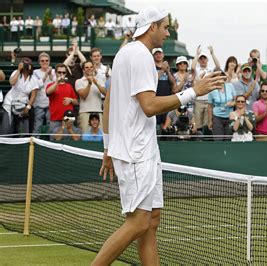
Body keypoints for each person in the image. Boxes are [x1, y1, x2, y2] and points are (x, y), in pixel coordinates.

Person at [96, 7, 226, 266]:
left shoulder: (123, 54)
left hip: (141, 149)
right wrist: (193, 92)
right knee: (139, 222)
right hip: (136, 152)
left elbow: (109, 100)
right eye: (165, 27)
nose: (168, 32)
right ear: (152, 27)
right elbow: (150, 106)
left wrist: (108, 147)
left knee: (152, 220)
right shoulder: (140, 56)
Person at [3, 57, 39, 135]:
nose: (26, 66)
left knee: (24, 129)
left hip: (23, 103)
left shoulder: (34, 79)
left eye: (28, 64)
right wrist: (19, 70)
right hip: (10, 101)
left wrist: (28, 107)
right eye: (25, 64)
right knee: (7, 126)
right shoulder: (16, 72)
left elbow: (33, 95)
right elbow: (12, 82)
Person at [46, 63, 79, 140]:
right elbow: (48, 92)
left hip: (69, 119)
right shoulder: (51, 85)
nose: (61, 74)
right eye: (59, 72)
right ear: (56, 73)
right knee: (55, 141)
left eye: (63, 73)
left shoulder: (69, 86)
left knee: (70, 142)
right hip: (55, 119)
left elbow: (76, 102)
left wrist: (71, 100)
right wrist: (57, 82)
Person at [191, 45, 219, 133]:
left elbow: (218, 66)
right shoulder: (197, 69)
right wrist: (196, 54)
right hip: (198, 100)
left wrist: (212, 53)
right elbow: (192, 67)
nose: (203, 60)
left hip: (209, 101)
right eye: (201, 59)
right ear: (199, 60)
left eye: (204, 58)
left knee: (207, 124)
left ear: (207, 60)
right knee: (198, 123)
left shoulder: (210, 69)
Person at [75, 60, 106, 133]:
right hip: (85, 112)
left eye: (91, 67)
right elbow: (83, 95)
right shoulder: (79, 81)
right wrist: (89, 83)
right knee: (85, 136)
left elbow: (105, 93)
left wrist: (96, 83)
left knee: (100, 137)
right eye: (87, 67)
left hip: (98, 111)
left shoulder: (99, 80)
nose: (89, 69)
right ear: (83, 70)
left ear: (94, 68)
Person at [152, 47, 177, 135]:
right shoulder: (151, 67)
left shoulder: (167, 68)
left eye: (160, 53)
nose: (158, 55)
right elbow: (153, 80)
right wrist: (162, 70)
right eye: (156, 54)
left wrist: (167, 71)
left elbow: (173, 83)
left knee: (166, 123)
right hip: (156, 99)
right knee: (156, 124)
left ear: (163, 55)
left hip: (166, 98)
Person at [32, 52, 56, 135]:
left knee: (51, 126)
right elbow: (36, 86)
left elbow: (56, 84)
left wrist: (50, 75)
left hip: (51, 103)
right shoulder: (35, 72)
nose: (44, 62)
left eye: (46, 60)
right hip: (39, 103)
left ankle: (50, 144)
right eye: (42, 61)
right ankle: (35, 145)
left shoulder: (54, 71)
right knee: (37, 125)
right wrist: (45, 75)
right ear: (39, 62)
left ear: (49, 61)